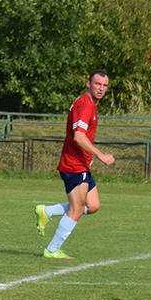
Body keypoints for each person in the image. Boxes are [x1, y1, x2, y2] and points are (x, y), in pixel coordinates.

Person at [34, 70, 115, 259]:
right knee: (77, 209)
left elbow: (81, 136)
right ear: (88, 84)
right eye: (97, 84)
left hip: (81, 163)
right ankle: (52, 250)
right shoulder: (85, 105)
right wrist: (100, 154)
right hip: (74, 165)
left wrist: (89, 155)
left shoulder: (89, 105)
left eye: (104, 85)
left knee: (93, 205)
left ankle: (47, 211)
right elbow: (78, 136)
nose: (101, 89)